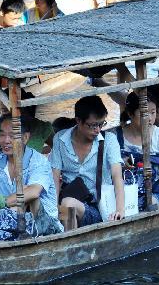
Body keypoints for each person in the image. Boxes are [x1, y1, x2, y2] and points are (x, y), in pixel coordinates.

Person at [50, 95, 125, 229]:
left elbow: (117, 175)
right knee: (64, 205)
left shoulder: (109, 141)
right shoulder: (60, 139)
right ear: (78, 121)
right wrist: (53, 209)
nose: (98, 130)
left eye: (101, 124)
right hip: (68, 200)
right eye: (93, 125)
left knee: (68, 204)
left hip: (100, 208)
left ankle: (69, 244)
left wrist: (120, 210)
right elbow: (54, 177)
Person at [118, 91, 159, 211]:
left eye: (153, 113)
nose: (149, 118)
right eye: (143, 113)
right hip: (122, 194)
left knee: (151, 203)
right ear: (130, 114)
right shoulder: (115, 137)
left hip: (156, 193)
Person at [0, 90, 55, 154]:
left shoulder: (42, 127)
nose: (3, 116)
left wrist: (35, 154)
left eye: (5, 111)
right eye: (1, 111)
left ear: (22, 107)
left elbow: (56, 148)